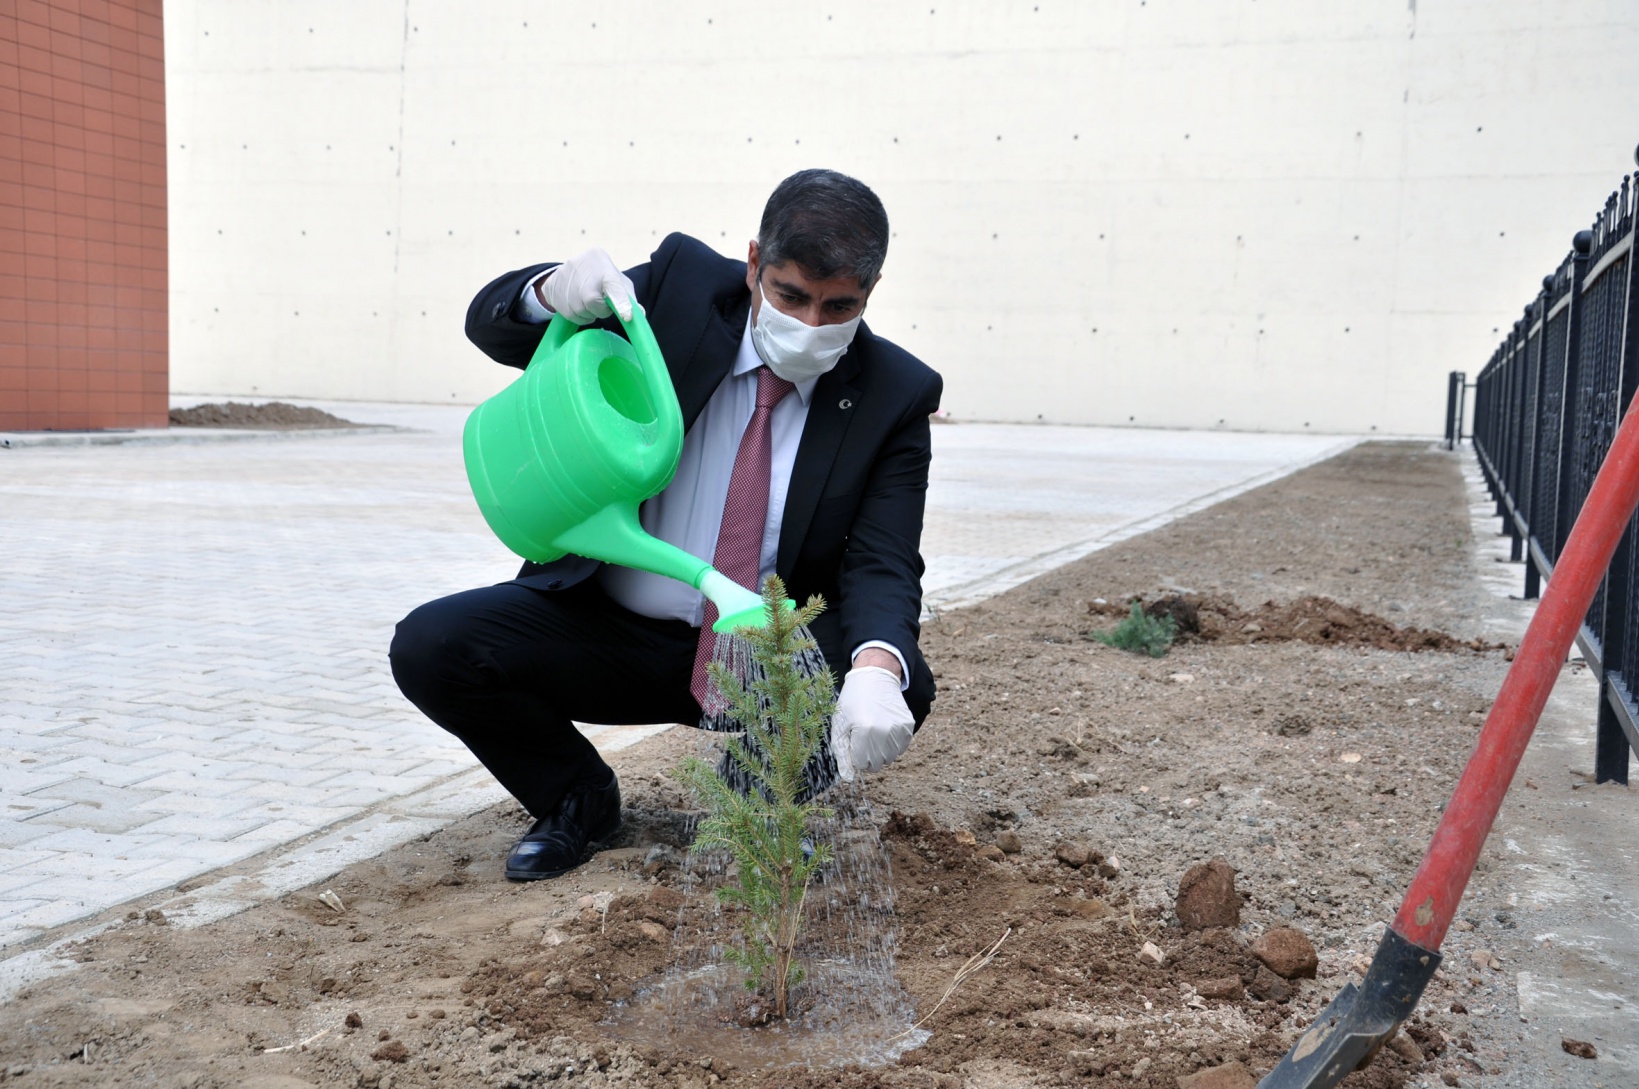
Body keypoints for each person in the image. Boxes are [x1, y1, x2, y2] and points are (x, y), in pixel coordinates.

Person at [390, 169, 942, 881]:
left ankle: (748, 810)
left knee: (898, 674)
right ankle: (575, 798)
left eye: (838, 307)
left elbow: (883, 558)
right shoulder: (679, 294)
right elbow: (491, 327)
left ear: (869, 294)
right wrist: (545, 290)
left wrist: (875, 667)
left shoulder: (892, 394)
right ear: (752, 265)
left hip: (762, 653)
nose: (810, 326)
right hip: (607, 633)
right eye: (790, 295)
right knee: (433, 645)